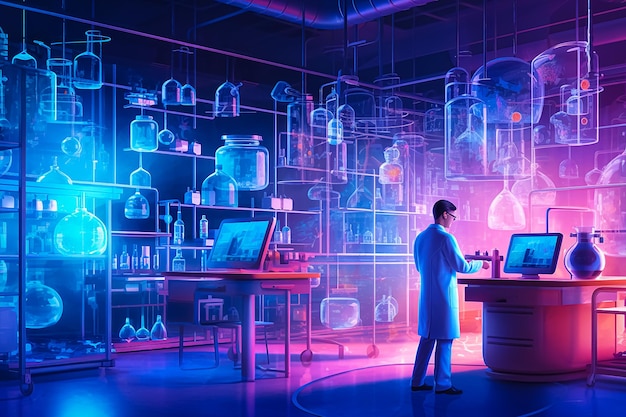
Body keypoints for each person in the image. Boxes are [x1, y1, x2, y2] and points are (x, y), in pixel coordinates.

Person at [410, 199, 489, 395]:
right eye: (453, 216)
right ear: (445, 214)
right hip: (443, 298)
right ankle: (443, 384)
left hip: (427, 297)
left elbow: (420, 267)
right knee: (445, 340)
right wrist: (481, 264)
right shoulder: (446, 238)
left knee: (426, 338)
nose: (453, 220)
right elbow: (462, 266)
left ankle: (417, 381)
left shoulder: (420, 238)